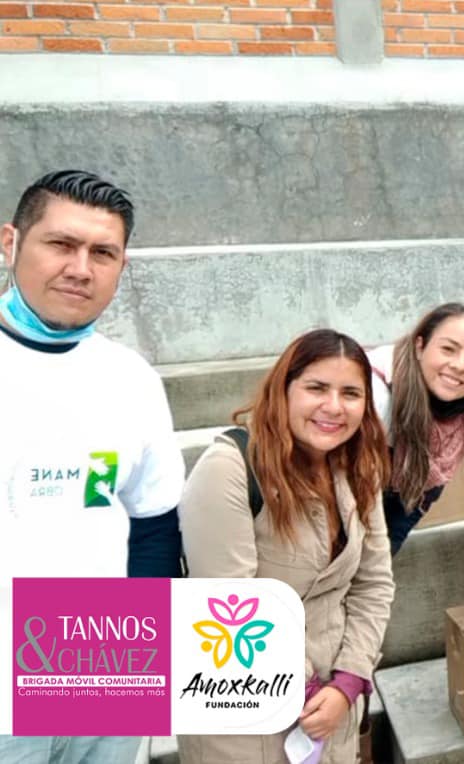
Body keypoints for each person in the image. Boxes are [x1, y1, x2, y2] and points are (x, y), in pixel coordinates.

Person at [0, 170, 184, 764]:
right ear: (10, 242)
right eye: (61, 244)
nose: (80, 268)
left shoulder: (131, 380)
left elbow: (154, 525)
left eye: (102, 253)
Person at [178, 329, 394, 763]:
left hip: (333, 706)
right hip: (245, 704)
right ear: (284, 389)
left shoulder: (358, 469)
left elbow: (375, 583)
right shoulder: (229, 468)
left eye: (351, 393)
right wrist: (311, 692)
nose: (334, 406)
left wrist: (348, 682)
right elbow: (230, 604)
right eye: (317, 388)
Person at [370, 303, 464, 553]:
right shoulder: (374, 397)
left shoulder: (463, 414)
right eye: (448, 349)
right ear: (419, 346)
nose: (459, 365)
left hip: (401, 501)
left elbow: (393, 532)